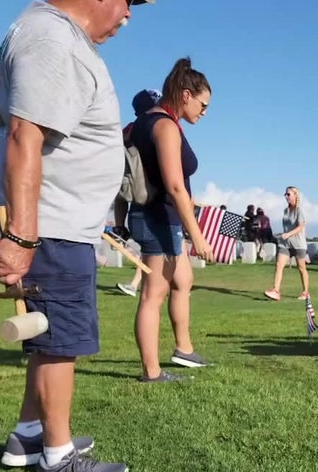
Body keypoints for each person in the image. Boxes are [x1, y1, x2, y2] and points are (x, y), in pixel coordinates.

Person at [0, 0, 156, 472]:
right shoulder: (51, 39)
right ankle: (59, 453)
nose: (128, 15)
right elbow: (25, 135)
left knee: (49, 337)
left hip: (57, 226)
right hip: (51, 227)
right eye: (128, 2)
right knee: (62, 342)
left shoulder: (49, 35)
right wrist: (21, 234)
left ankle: (28, 435)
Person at [127, 57, 214, 383]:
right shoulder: (163, 126)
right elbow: (175, 187)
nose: (204, 112)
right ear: (186, 94)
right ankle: (151, 371)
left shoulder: (152, 122)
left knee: (183, 280)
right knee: (153, 294)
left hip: (162, 218)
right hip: (158, 218)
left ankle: (183, 348)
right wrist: (199, 237)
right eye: (203, 105)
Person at [113, 88, 162, 297]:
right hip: (154, 200)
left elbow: (120, 189)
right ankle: (137, 284)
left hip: (133, 198)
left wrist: (119, 224)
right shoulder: (159, 127)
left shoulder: (127, 132)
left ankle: (137, 283)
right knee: (154, 249)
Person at [264, 186, 309, 300]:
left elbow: (300, 226)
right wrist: (282, 235)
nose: (286, 196)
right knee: (279, 265)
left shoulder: (299, 210)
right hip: (285, 244)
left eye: (288, 194)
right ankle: (276, 291)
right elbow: (287, 227)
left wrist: (288, 234)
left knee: (301, 268)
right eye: (285, 194)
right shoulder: (286, 210)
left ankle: (305, 292)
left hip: (298, 244)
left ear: (295, 195)